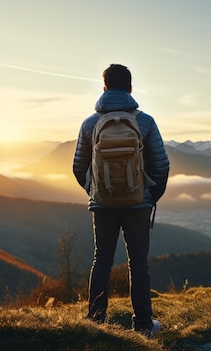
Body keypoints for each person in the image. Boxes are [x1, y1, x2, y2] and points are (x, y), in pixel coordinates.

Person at [72, 64, 170, 336]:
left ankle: (96, 322)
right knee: (138, 263)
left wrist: (97, 192)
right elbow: (161, 166)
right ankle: (143, 326)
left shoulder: (90, 124)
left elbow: (79, 168)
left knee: (101, 260)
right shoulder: (146, 122)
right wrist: (149, 196)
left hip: (103, 205)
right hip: (139, 204)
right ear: (130, 88)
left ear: (104, 89)